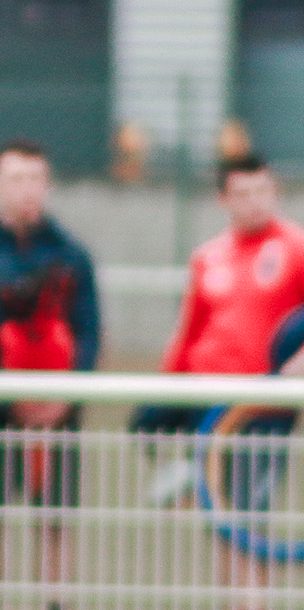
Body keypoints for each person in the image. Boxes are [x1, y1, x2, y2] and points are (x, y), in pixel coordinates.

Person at [160, 153, 304, 600]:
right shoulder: (208, 257)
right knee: (221, 520)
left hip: (263, 408)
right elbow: (189, 333)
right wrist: (162, 395)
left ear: (274, 191)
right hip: (208, 407)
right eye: (242, 193)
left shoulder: (297, 249)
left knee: (248, 515)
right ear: (224, 198)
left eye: (261, 190)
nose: (254, 202)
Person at [0, 139, 100, 602]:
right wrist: (7, 398)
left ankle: (55, 600)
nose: (28, 190)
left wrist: (63, 398)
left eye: (36, 178)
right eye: (17, 179)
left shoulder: (71, 254)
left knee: (56, 520)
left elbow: (89, 333)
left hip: (59, 415)